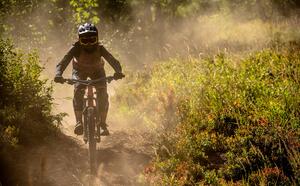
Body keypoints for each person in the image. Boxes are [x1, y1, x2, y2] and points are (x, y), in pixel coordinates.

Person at [54, 23, 124, 136]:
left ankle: (102, 124)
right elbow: (63, 61)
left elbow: (112, 60)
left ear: (97, 39)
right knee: (78, 90)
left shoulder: (100, 48)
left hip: (98, 71)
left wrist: (118, 71)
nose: (89, 44)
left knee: (102, 93)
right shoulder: (75, 48)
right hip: (79, 72)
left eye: (92, 40)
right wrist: (58, 74)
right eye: (84, 41)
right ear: (79, 40)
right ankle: (78, 123)